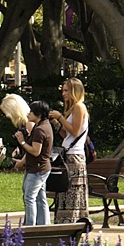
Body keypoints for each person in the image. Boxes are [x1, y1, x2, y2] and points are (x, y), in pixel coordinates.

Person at [50, 77, 89, 223]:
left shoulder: (79, 107)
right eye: (63, 91)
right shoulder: (72, 109)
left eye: (66, 90)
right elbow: (66, 134)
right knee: (64, 191)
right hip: (68, 153)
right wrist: (57, 122)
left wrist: (60, 117)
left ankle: (72, 222)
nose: (63, 94)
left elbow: (75, 131)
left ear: (74, 91)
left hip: (75, 156)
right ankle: (64, 221)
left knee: (73, 192)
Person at [14, 100, 53, 226]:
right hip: (41, 168)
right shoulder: (44, 125)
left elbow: (36, 151)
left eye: (31, 112)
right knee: (41, 199)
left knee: (29, 198)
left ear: (39, 115)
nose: (29, 114)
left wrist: (22, 142)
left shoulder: (40, 130)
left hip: (37, 169)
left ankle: (30, 226)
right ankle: (44, 225)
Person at [0, 93, 31, 161]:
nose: (7, 116)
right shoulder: (22, 124)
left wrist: (22, 162)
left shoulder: (30, 123)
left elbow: (34, 148)